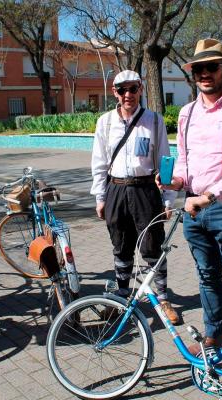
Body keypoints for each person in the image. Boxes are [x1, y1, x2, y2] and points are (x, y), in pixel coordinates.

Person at [157, 38, 222, 355]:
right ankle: (213, 336)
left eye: (211, 67)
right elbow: (186, 161)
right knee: (207, 279)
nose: (205, 74)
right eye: (198, 68)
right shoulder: (187, 113)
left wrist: (209, 196)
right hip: (193, 208)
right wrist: (175, 181)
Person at [90, 70, 180, 324]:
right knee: (121, 247)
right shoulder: (105, 122)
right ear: (114, 92)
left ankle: (162, 300)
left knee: (153, 247)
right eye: (122, 90)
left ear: (141, 89)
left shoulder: (153, 120)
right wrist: (100, 197)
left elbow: (164, 160)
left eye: (133, 88)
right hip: (116, 189)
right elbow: (99, 162)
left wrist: (168, 199)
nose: (128, 94)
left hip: (145, 191)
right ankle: (120, 298)